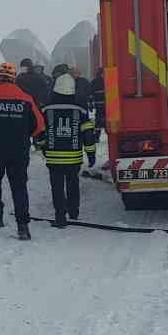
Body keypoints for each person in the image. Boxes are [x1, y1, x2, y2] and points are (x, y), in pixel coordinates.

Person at [0, 62, 44, 240]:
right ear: (13, 78)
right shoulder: (25, 98)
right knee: (19, 186)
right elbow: (39, 125)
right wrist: (25, 135)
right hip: (19, 149)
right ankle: (23, 226)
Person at [39, 74, 99, 227]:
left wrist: (44, 148)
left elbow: (39, 133)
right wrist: (91, 154)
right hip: (74, 158)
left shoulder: (46, 110)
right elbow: (88, 135)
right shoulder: (81, 111)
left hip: (53, 157)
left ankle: (60, 217)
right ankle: (73, 212)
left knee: (57, 186)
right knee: (73, 183)